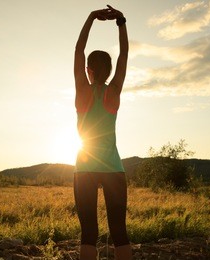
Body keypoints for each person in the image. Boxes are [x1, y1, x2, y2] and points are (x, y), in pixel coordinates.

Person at [73, 5, 132, 260]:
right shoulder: (114, 91)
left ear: (89, 70)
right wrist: (121, 22)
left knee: (88, 232)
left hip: (84, 167)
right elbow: (125, 55)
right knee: (119, 231)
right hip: (113, 167)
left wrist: (91, 18)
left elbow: (78, 50)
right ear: (108, 71)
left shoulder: (82, 91)